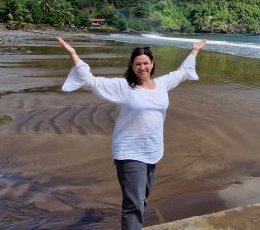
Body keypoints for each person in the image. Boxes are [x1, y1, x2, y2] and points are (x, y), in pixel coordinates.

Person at [57, 37, 207, 230]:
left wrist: (194, 51)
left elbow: (183, 72)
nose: (142, 67)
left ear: (152, 64)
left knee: (140, 198)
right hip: (129, 152)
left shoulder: (162, 85)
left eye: (145, 63)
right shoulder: (124, 87)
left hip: (152, 151)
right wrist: (73, 54)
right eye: (138, 64)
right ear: (132, 66)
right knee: (133, 203)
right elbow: (91, 81)